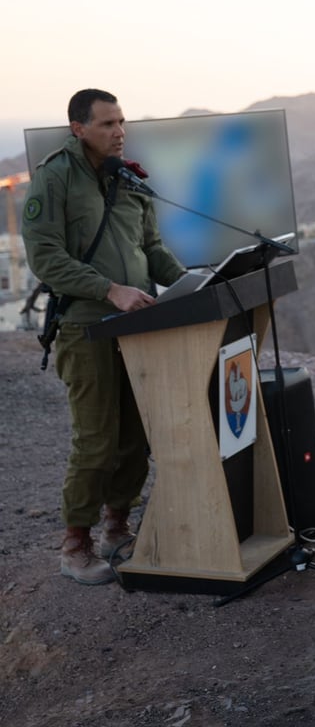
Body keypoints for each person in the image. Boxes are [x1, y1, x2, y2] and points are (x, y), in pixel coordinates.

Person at [21, 89, 186, 584]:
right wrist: (109, 290)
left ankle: (117, 528)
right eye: (107, 124)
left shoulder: (129, 177)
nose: (118, 132)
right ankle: (76, 546)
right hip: (85, 327)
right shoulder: (53, 179)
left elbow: (152, 250)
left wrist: (194, 287)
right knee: (97, 442)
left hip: (139, 328)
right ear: (78, 128)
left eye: (121, 122)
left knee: (136, 438)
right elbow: (45, 258)